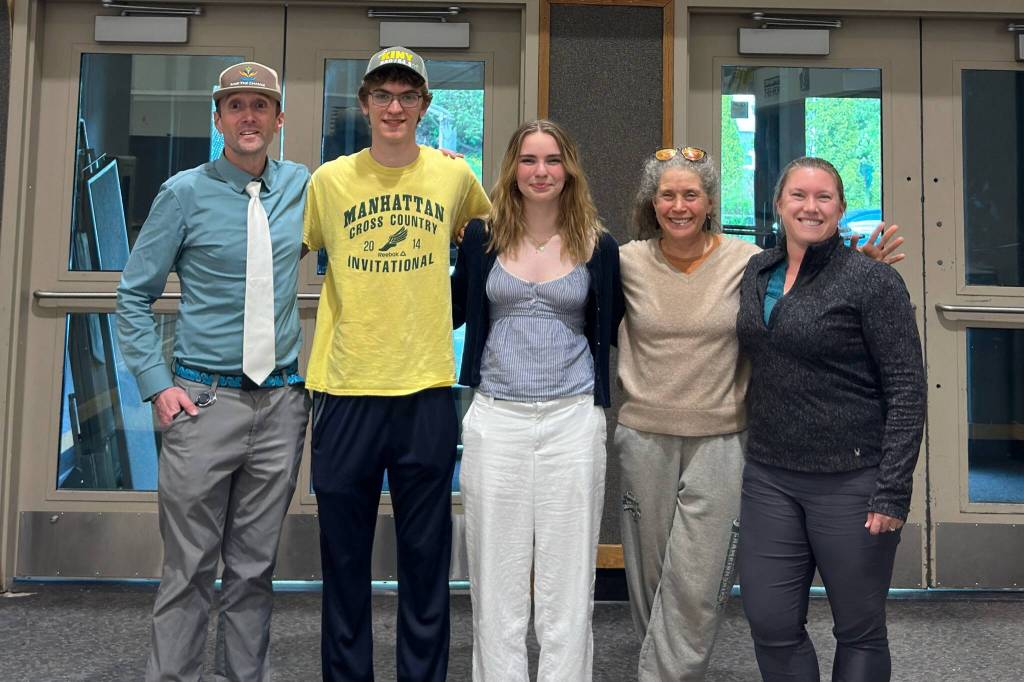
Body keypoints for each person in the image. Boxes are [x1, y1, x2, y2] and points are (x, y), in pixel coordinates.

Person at [614, 147, 904, 681]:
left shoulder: (746, 261)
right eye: (668, 195)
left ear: (710, 204)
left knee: (700, 587)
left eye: (692, 194)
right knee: (660, 588)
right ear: (651, 203)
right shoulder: (625, 261)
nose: (680, 205)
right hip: (655, 441)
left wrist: (864, 272)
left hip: (729, 442)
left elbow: (819, 277)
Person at [116, 62, 310, 681]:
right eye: (235, 106)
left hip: (280, 405)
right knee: (191, 568)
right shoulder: (183, 193)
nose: (247, 117)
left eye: (260, 106)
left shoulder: (303, 189)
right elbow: (132, 296)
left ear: (279, 119)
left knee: (254, 571)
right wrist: (157, 385)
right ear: (218, 118)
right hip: (202, 403)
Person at [302, 46, 491, 682]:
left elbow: (491, 251)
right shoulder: (328, 182)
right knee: (345, 558)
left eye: (407, 95)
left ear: (424, 106)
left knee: (425, 555)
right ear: (364, 104)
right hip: (346, 386)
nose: (394, 106)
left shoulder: (455, 179)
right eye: (382, 94)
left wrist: (454, 312)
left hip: (426, 388)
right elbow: (284, 259)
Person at [735, 156, 926, 681]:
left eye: (824, 197)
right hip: (770, 477)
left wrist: (892, 491)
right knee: (770, 623)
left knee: (859, 628)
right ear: (778, 204)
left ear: (840, 209)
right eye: (798, 195)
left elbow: (908, 390)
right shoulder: (759, 270)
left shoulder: (872, 281)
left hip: (853, 480)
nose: (810, 206)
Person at [451, 119, 624, 681]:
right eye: (528, 160)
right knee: (495, 578)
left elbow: (615, 323)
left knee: (567, 584)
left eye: (552, 160)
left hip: (573, 421)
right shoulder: (481, 239)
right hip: (496, 420)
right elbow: (448, 309)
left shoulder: (598, 245)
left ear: (568, 168)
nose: (541, 171)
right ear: (512, 169)